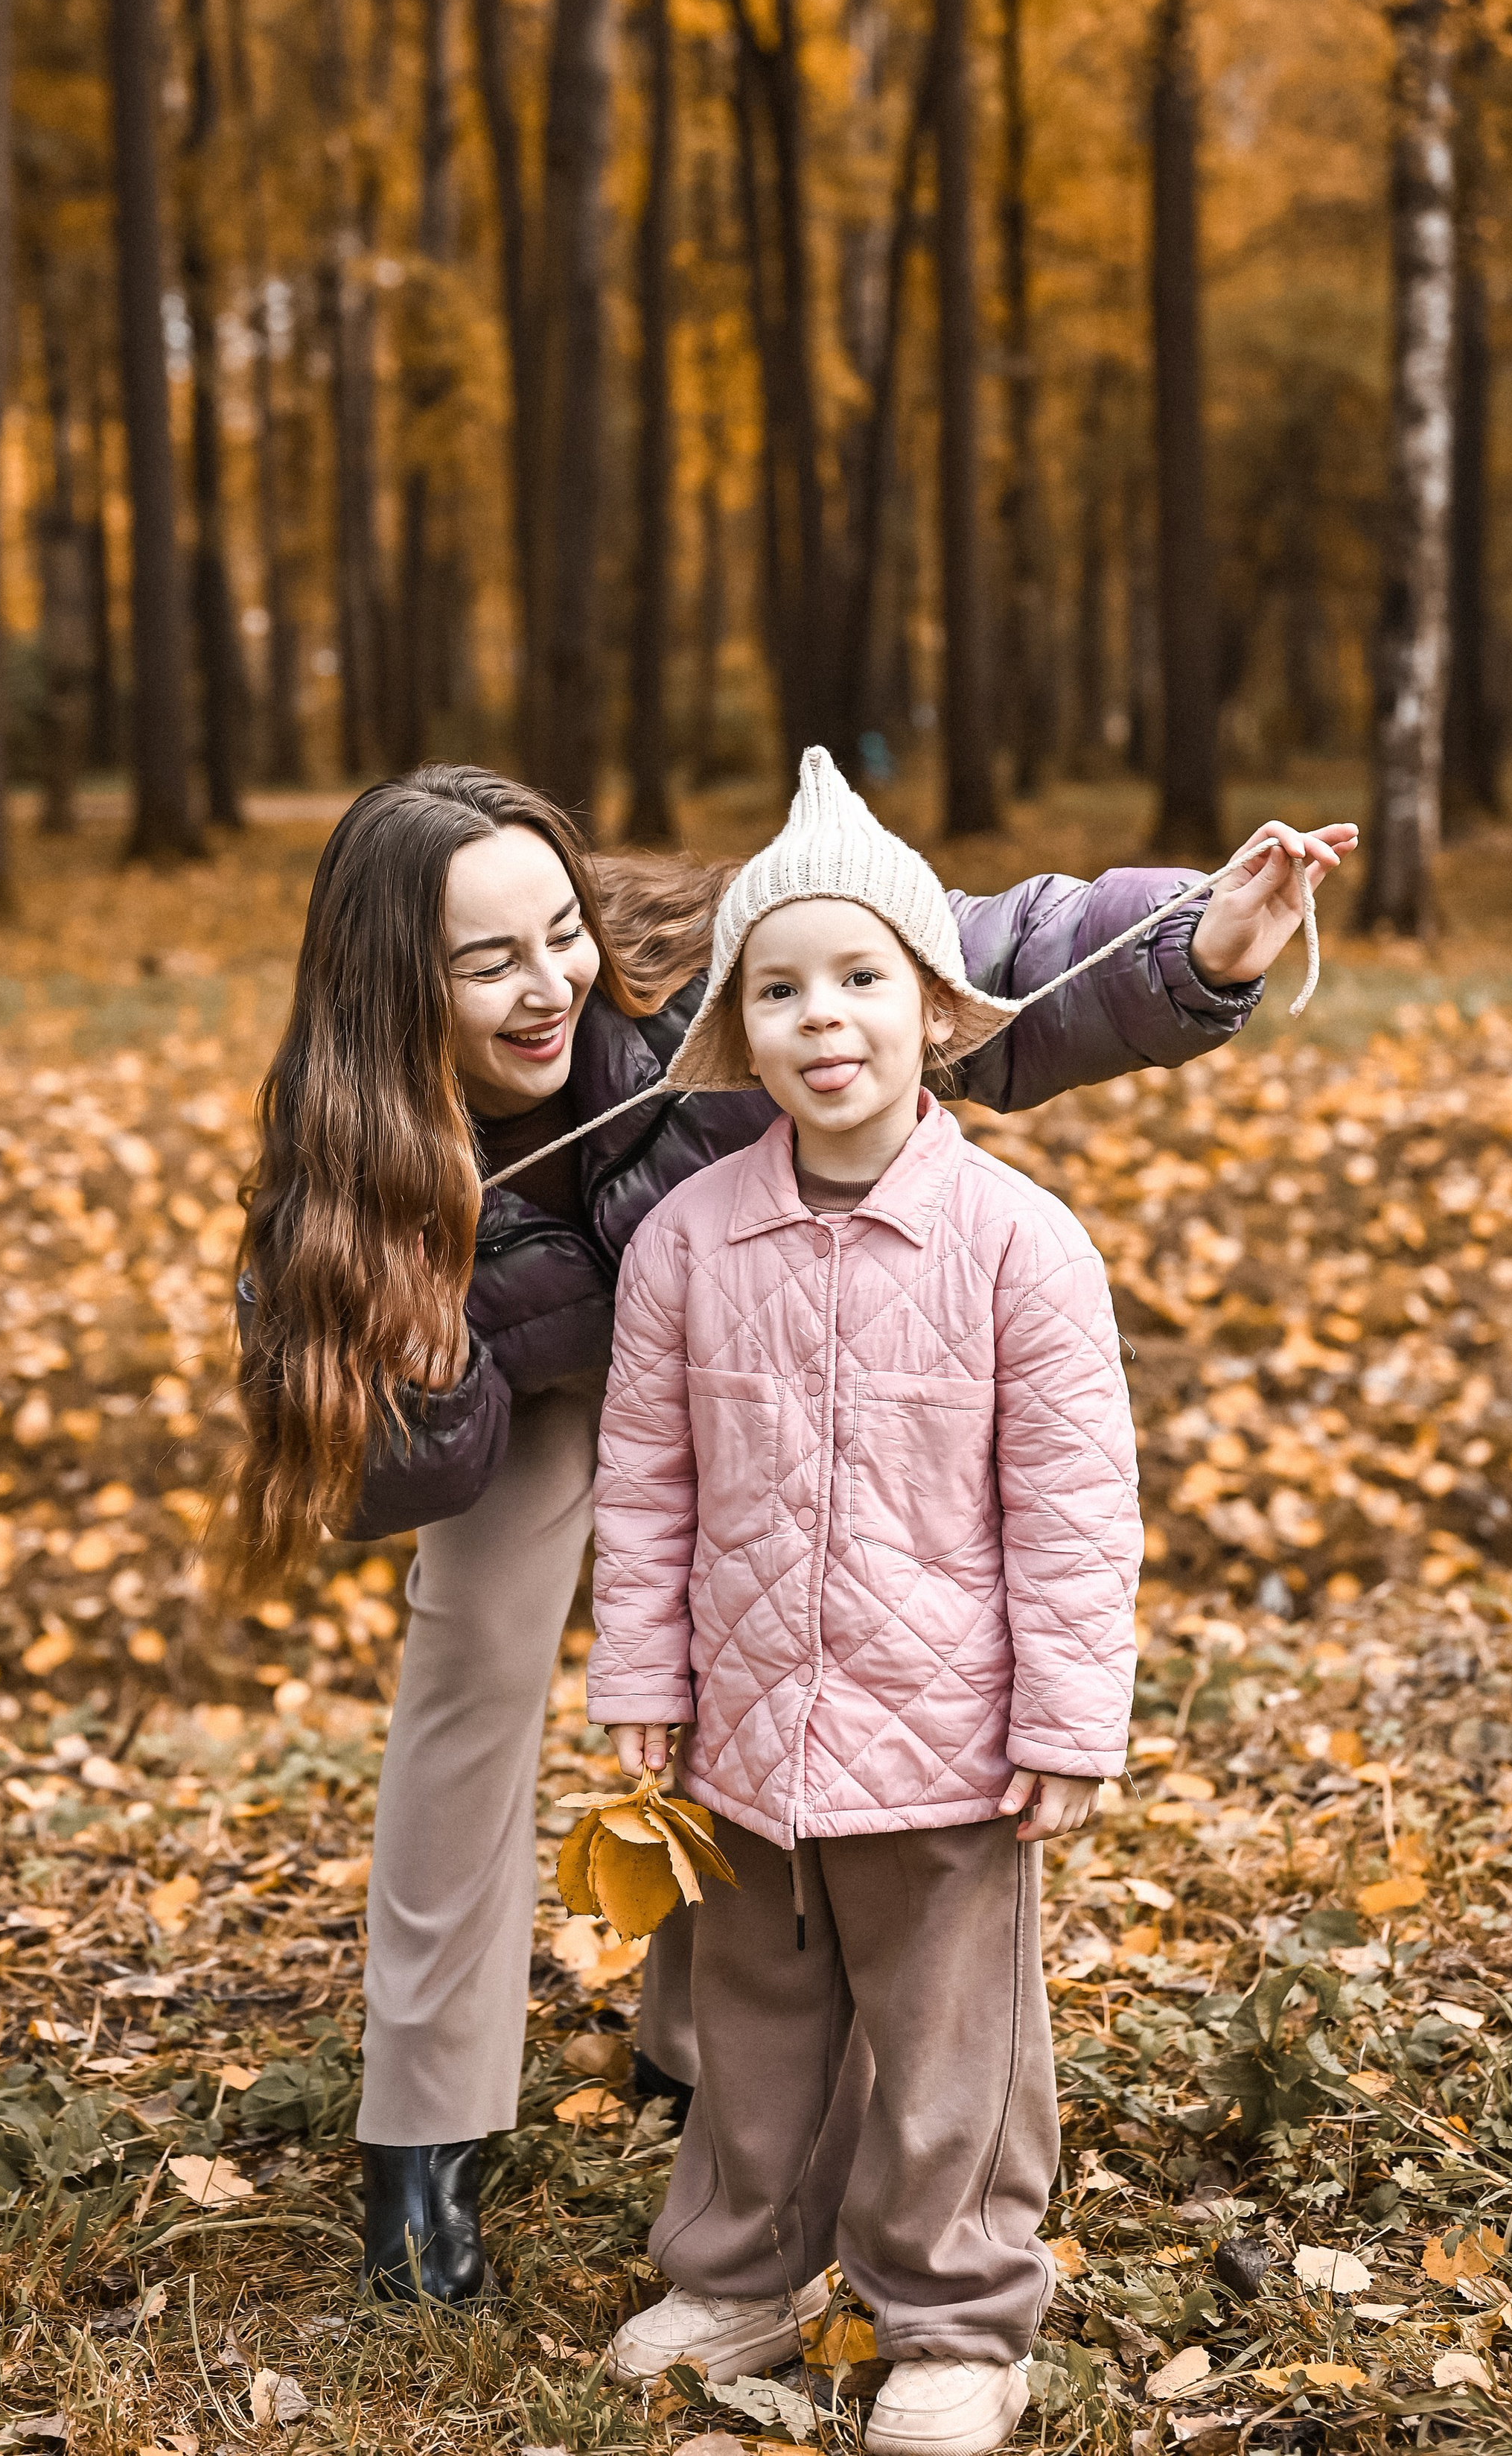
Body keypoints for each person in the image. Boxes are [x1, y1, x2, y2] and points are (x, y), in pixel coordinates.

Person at [226, 760, 1355, 2306]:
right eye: (486, 961)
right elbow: (346, 1476)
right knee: (478, 1638)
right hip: (538, 1383)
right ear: (388, 983)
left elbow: (980, 956)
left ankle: (704, 2032)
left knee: (777, 1597)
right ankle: (423, 2126)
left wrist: (1197, 942)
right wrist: (420, 1357)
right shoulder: (343, 1151)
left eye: (556, 928)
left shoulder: (709, 973)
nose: (548, 981)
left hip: (748, 1326)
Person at [590, 749, 1148, 2454]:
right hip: (752, 1729)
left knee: (949, 2048)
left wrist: (1066, 1713)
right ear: (737, 1034)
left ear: (931, 1007)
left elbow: (1070, 1500)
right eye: (779, 987)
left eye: (860, 980)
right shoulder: (686, 1239)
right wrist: (642, 1678)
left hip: (950, 1739)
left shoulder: (1014, 1243)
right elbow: (646, 1482)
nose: (822, 1018)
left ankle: (956, 2315)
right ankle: (743, 2265)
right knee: (750, 2018)